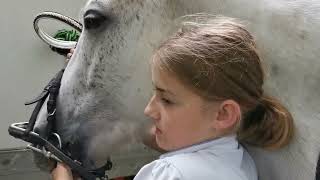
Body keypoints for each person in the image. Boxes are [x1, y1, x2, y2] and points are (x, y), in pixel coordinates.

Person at [52, 16, 294, 180]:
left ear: (224, 114)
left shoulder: (171, 174)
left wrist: (62, 174)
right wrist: (130, 128)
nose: (148, 110)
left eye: (166, 100)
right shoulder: (241, 160)